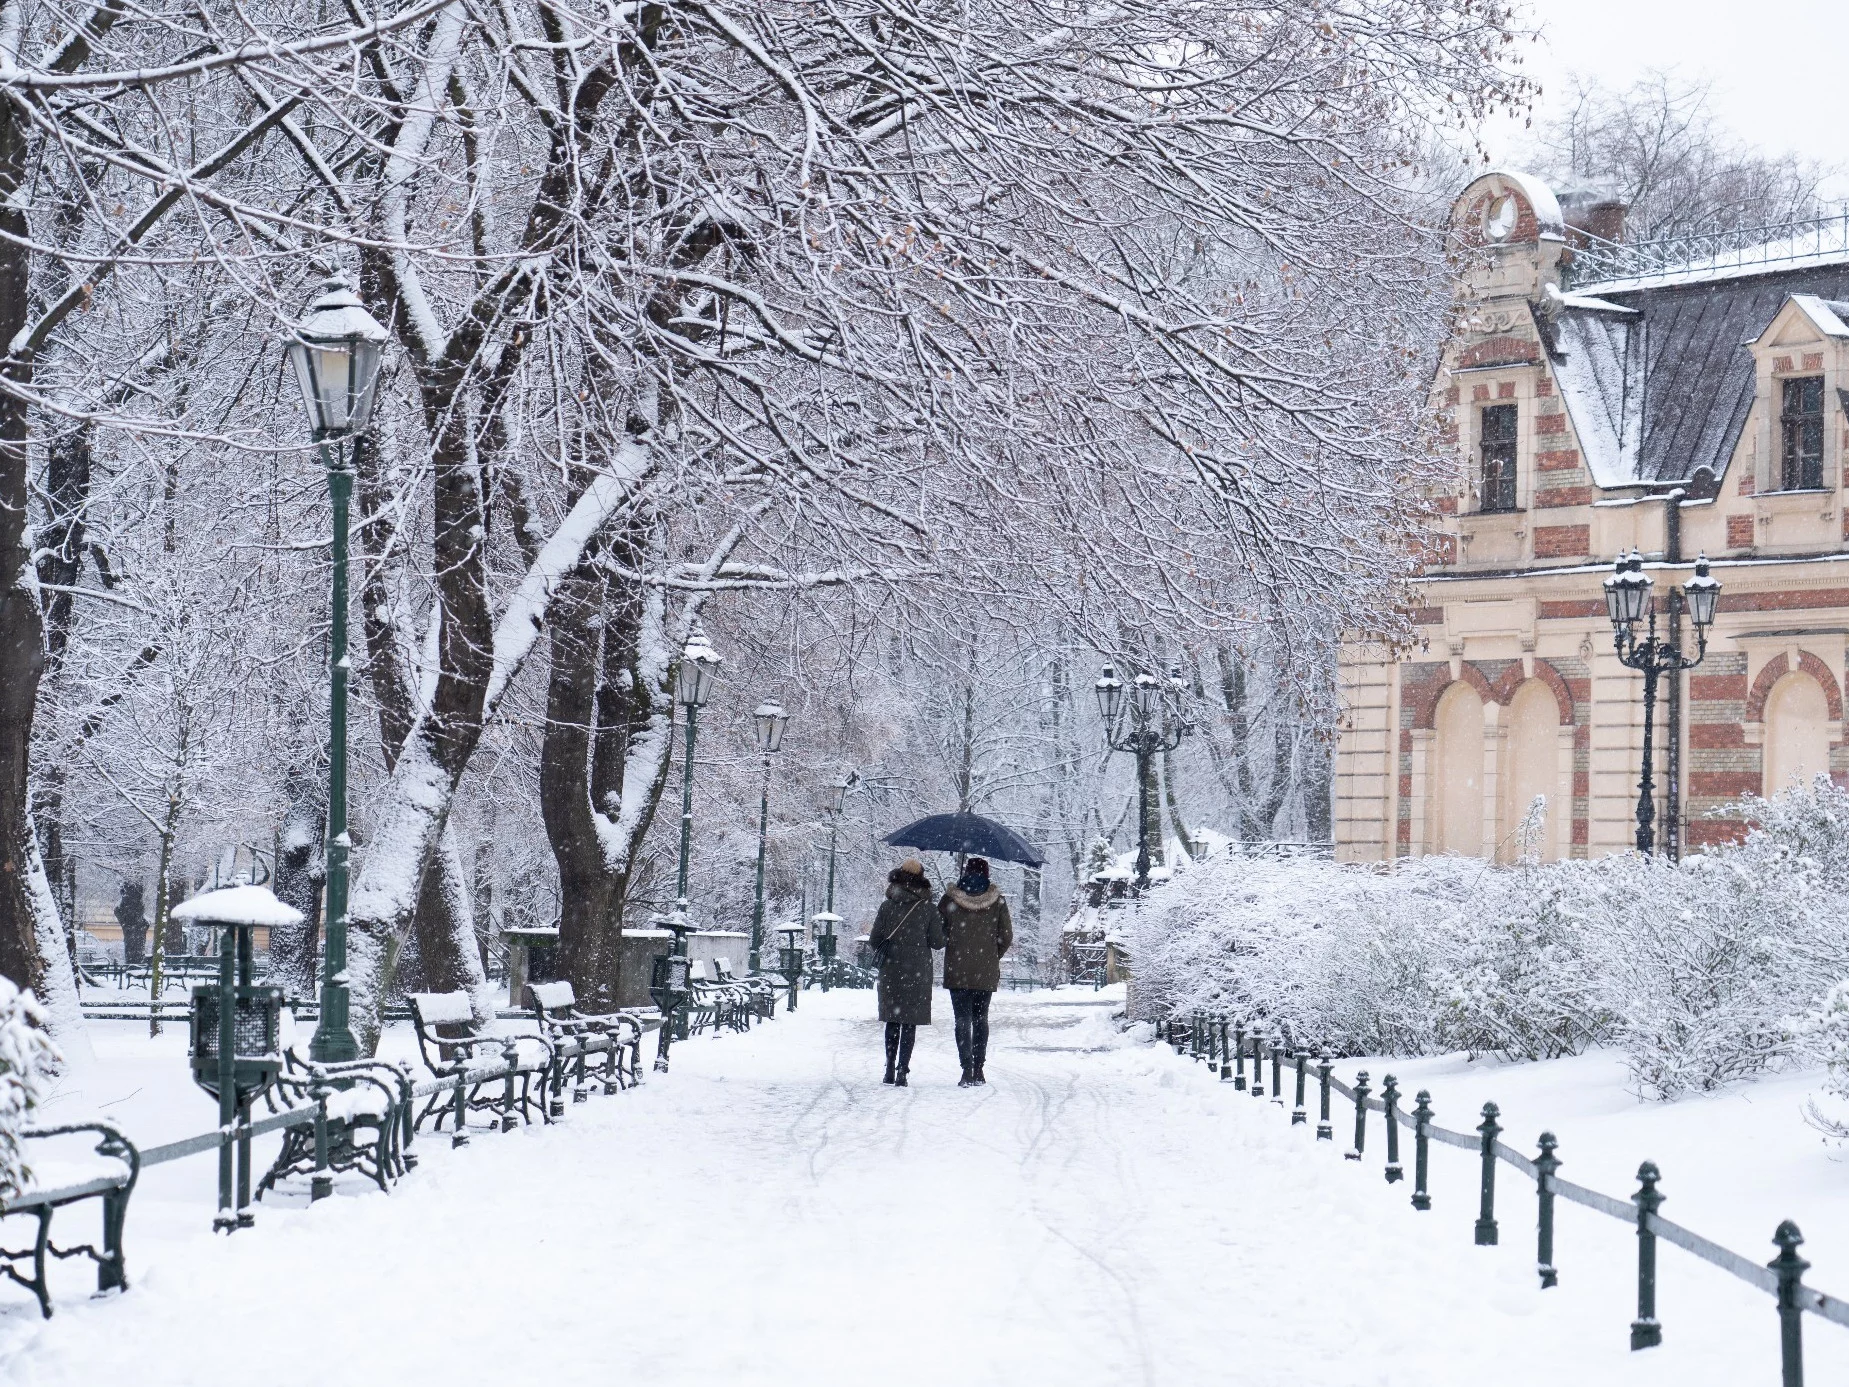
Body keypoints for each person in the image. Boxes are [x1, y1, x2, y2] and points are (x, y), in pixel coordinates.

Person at [868, 859, 944, 1086]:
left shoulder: (887, 906)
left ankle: (889, 1068)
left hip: (891, 970)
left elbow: (875, 940)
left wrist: (893, 953)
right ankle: (903, 1071)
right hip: (917, 972)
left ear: (898, 877)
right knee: (909, 1021)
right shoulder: (928, 909)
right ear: (922, 878)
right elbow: (938, 942)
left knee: (893, 1019)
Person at [938, 856, 1012, 1087]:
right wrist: (991, 955)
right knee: (981, 1019)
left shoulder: (950, 900)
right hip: (985, 971)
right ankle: (979, 1068)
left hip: (957, 969)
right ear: (987, 874)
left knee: (962, 1019)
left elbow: (938, 934)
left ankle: (966, 1069)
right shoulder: (997, 902)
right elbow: (1006, 936)